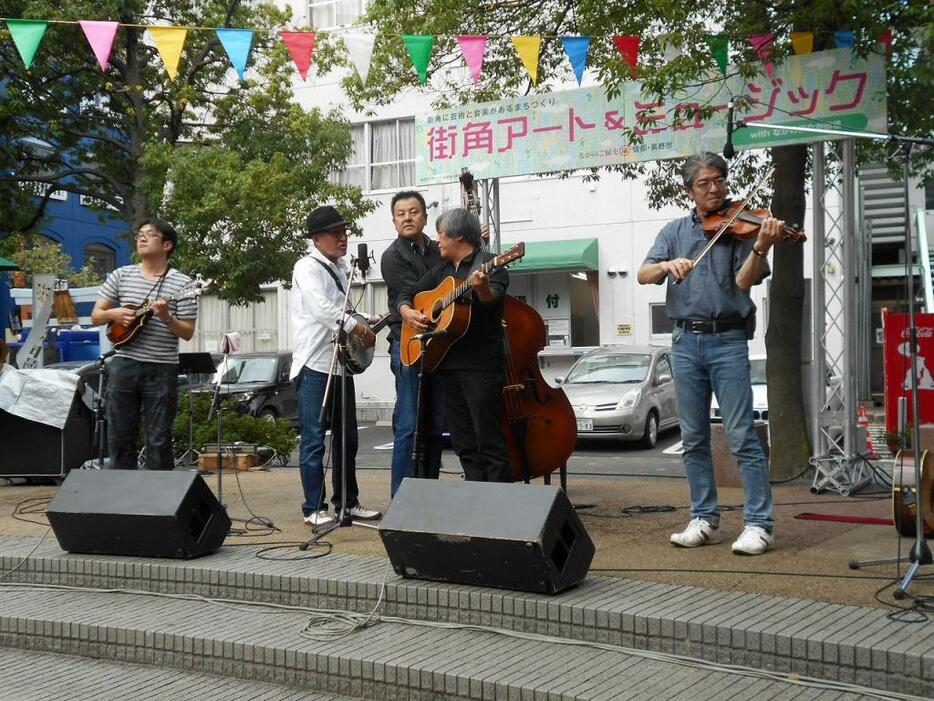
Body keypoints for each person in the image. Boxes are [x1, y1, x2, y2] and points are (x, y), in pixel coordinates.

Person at [636, 152, 784, 556]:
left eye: (719, 180)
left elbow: (743, 282)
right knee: (693, 436)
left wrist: (761, 247)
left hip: (727, 341)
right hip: (684, 342)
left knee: (741, 435)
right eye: (704, 183)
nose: (715, 188)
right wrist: (667, 265)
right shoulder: (673, 231)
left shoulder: (741, 229)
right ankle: (704, 519)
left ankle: (759, 524)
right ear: (689, 190)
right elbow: (643, 273)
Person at [397, 208, 511, 483]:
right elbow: (406, 293)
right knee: (463, 443)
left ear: (458, 236)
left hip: (481, 367)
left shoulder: (490, 263)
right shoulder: (443, 272)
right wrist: (407, 312)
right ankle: (476, 499)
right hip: (448, 365)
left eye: (441, 234)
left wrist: (481, 288)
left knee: (488, 440)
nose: (437, 240)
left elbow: (492, 301)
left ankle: (502, 509)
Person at [290, 205, 381, 527]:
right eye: (335, 233)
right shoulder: (307, 267)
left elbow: (343, 306)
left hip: (339, 365)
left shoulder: (340, 269)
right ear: (317, 238)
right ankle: (313, 508)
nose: (343, 238)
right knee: (314, 438)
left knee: (348, 439)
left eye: (344, 232)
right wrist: (356, 327)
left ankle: (347, 503)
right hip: (314, 364)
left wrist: (367, 318)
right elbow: (321, 307)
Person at [91, 218, 198, 470]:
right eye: (139, 234)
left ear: (167, 245)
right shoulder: (121, 274)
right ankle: (121, 501)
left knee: (159, 438)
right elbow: (97, 315)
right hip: (124, 363)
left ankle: (159, 502)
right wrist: (115, 314)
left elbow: (187, 332)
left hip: (162, 367)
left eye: (150, 235)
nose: (141, 238)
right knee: (119, 435)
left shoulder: (183, 284)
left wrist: (166, 317)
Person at [380, 190, 446, 497]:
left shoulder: (438, 249)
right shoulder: (392, 256)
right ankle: (401, 498)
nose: (407, 217)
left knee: (434, 426)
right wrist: (405, 310)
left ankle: (428, 496)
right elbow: (412, 294)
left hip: (440, 346)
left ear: (425, 216)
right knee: (408, 423)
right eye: (400, 213)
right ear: (394, 221)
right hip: (407, 346)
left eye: (413, 211)